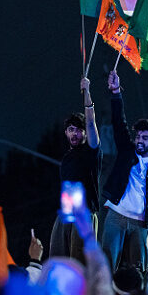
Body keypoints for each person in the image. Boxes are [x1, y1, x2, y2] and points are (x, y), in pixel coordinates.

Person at [101, 70, 148, 271]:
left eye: (145, 138)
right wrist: (116, 92)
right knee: (107, 264)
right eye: (138, 136)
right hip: (116, 215)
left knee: (138, 269)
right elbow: (118, 123)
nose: (139, 141)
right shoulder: (127, 150)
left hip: (141, 223)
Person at [50, 76, 102, 263]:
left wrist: (87, 92)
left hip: (84, 214)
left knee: (79, 264)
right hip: (67, 213)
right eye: (71, 129)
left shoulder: (91, 151)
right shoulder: (67, 158)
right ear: (66, 133)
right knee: (59, 261)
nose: (75, 133)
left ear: (85, 133)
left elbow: (90, 122)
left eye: (78, 130)